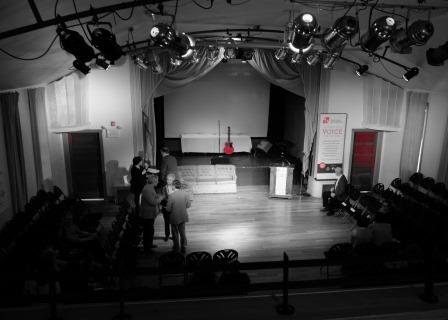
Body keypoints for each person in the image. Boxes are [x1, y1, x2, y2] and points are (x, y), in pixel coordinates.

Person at [140, 169, 164, 253]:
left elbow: (153, 196)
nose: (157, 182)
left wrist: (157, 195)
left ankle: (150, 244)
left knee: (150, 230)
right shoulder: (147, 189)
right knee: (148, 231)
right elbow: (153, 202)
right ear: (153, 181)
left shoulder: (150, 187)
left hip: (150, 213)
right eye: (156, 180)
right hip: (147, 214)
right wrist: (160, 198)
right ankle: (147, 247)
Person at [166, 180, 191, 253]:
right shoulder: (185, 194)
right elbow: (188, 205)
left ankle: (176, 248)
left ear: (173, 186)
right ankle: (184, 247)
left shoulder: (171, 196)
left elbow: (168, 209)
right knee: (182, 232)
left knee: (175, 233)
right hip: (183, 215)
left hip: (174, 217)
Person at [160, 173, 176, 242]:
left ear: (173, 180)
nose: (167, 181)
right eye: (167, 179)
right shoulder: (164, 188)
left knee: (173, 222)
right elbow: (163, 197)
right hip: (166, 207)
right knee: (166, 222)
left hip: (173, 207)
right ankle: (167, 235)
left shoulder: (175, 188)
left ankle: (174, 235)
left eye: (169, 180)